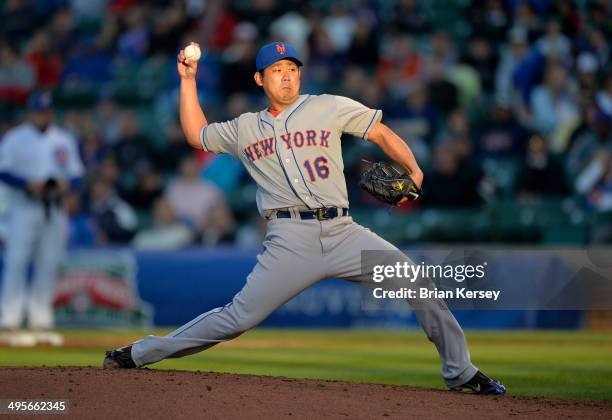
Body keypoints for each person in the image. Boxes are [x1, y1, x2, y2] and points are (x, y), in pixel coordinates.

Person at [103, 42, 506, 395]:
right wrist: (188, 80)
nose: (286, 76)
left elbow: (380, 132)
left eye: (292, 69)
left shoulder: (326, 105)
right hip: (289, 238)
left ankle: (461, 372)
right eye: (277, 71)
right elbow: (197, 135)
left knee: (414, 281)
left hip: (343, 231)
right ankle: (141, 352)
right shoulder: (245, 127)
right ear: (260, 79)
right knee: (236, 319)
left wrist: (414, 170)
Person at [0, 91, 84, 346]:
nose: (43, 114)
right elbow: (3, 171)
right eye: (38, 110)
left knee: (48, 263)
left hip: (54, 207)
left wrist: (64, 184)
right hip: (25, 206)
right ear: (30, 112)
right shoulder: (16, 138)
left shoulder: (63, 138)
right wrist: (28, 184)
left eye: (46, 110)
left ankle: (41, 320)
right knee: (17, 261)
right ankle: (9, 319)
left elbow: (77, 175)